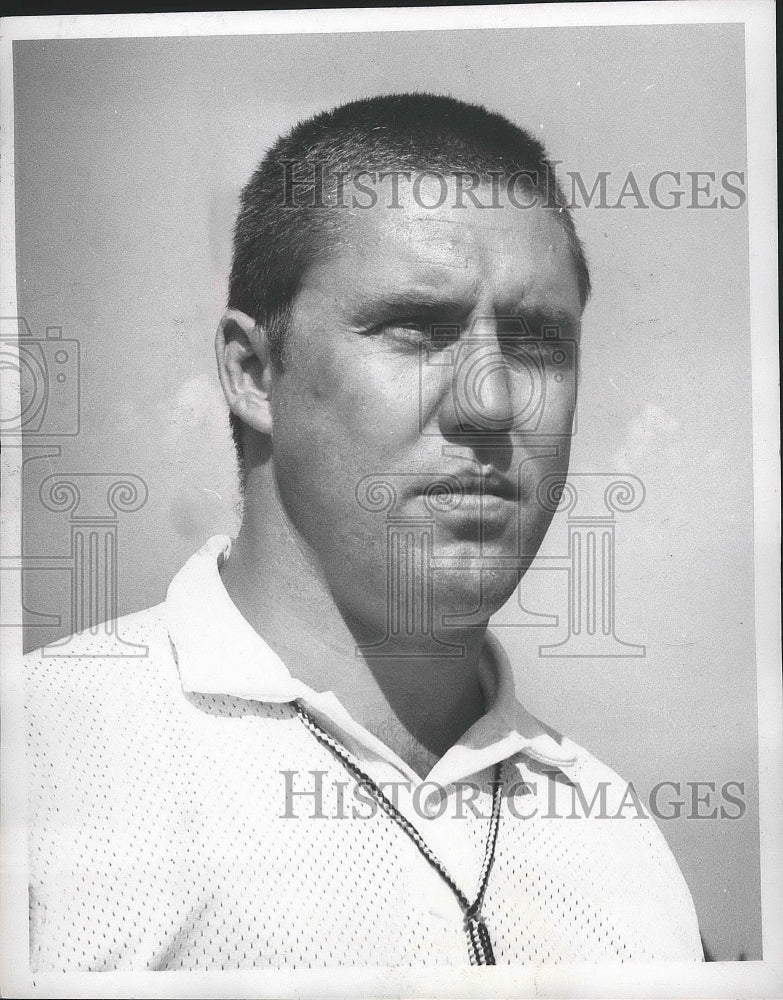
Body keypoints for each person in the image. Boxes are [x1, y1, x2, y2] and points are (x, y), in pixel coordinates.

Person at [25, 93, 703, 971]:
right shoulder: (46, 760)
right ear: (254, 371)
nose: (491, 403)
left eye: (536, 344)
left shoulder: (618, 845)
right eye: (417, 331)